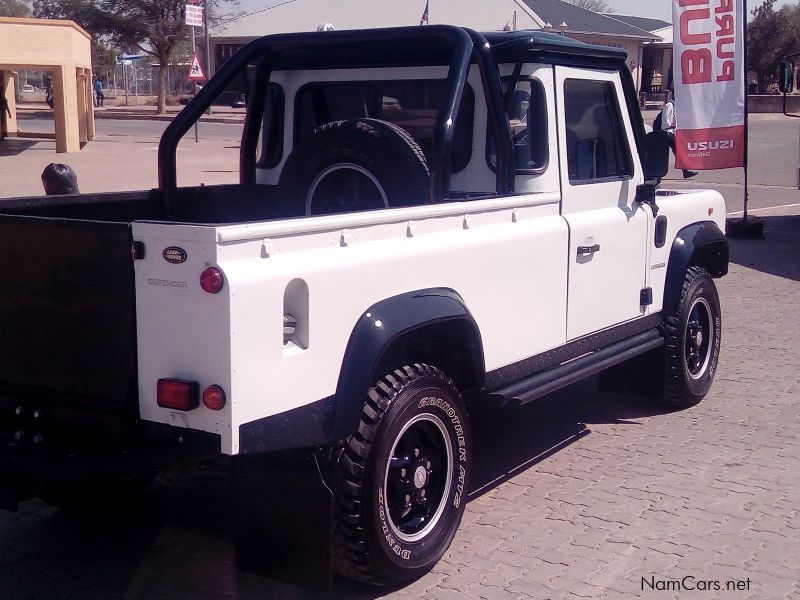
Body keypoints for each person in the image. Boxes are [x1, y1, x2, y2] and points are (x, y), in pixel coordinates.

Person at [655, 92, 698, 179]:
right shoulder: (669, 105)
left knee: (678, 152)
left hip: (670, 132)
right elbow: (665, 122)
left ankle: (685, 171)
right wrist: (672, 125)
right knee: (663, 154)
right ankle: (655, 173)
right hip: (665, 133)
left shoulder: (675, 106)